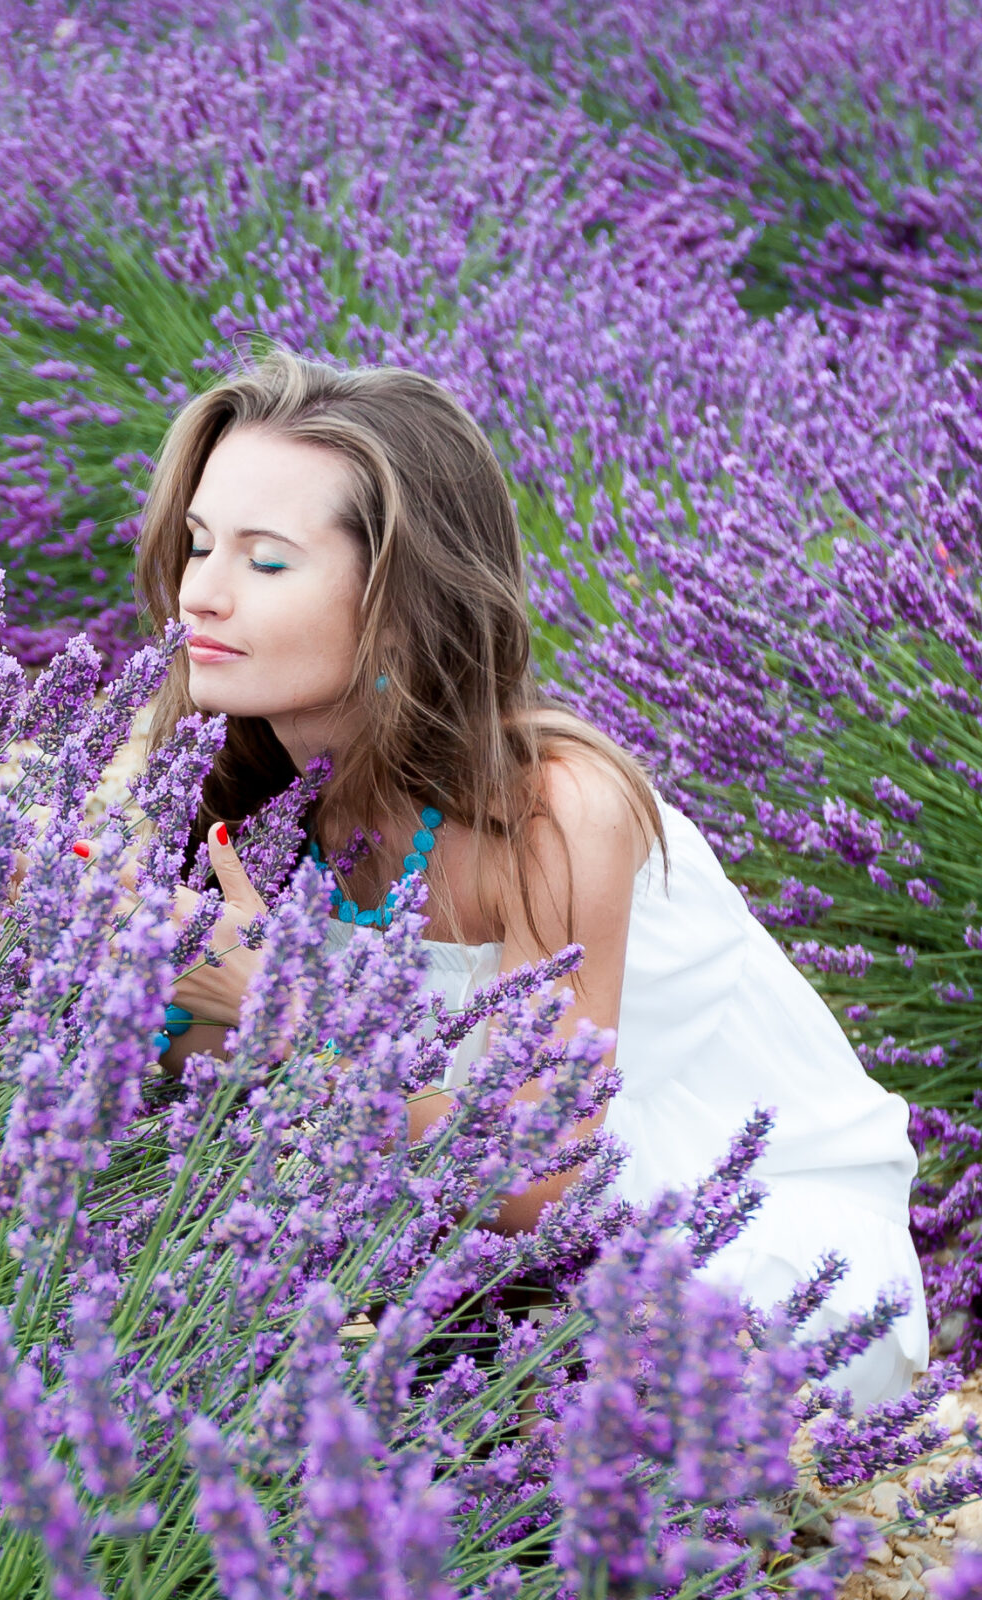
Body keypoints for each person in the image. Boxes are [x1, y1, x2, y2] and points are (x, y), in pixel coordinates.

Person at [132, 348, 927, 1405]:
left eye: (266, 561)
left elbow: (540, 1175)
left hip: (725, 1236)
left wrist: (281, 1007)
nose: (202, 595)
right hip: (466, 1261)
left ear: (397, 597)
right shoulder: (221, 772)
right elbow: (171, 1073)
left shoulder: (554, 806)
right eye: (196, 545)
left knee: (543, 1428)